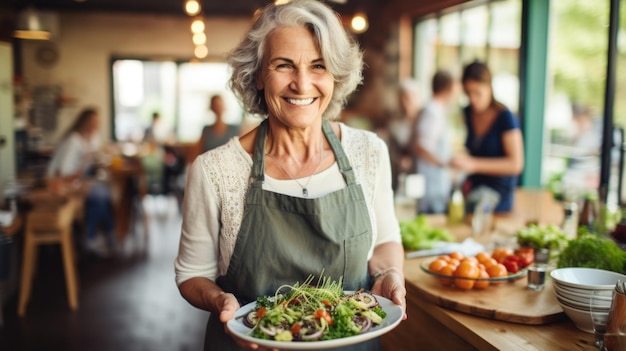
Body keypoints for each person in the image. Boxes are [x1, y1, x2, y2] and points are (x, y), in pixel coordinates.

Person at [174, 1, 406, 350]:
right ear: (257, 75)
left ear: (334, 75)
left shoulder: (369, 152)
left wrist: (389, 275)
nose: (302, 84)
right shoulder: (215, 170)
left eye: (318, 66)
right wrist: (220, 302)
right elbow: (192, 275)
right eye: (284, 65)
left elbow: (386, 240)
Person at [450, 61, 524, 213]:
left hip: (498, 197)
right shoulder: (468, 112)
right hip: (473, 191)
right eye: (468, 93)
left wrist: (474, 164)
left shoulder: (505, 117)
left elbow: (516, 164)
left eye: (477, 93)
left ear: (489, 87)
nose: (473, 99)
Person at [47, 107, 116, 256]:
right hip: (60, 186)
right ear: (83, 122)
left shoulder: (87, 139)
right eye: (92, 123)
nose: (95, 126)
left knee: (103, 193)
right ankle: (97, 237)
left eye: (97, 123)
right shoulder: (74, 141)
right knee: (100, 194)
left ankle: (104, 235)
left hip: (73, 183)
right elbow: (64, 175)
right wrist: (83, 178)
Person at [413, 70, 456, 214]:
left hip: (435, 187)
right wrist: (445, 163)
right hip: (432, 188)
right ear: (449, 87)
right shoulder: (432, 112)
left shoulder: (435, 110)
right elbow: (421, 146)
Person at [387, 79, 422, 190]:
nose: (405, 102)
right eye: (402, 98)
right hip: (403, 179)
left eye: (408, 97)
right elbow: (392, 152)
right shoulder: (395, 125)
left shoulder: (424, 122)